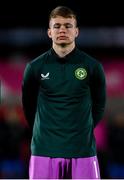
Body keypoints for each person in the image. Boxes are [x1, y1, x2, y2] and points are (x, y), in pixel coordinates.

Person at [22, 6, 106, 179]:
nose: (62, 30)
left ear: (76, 31)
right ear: (49, 32)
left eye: (68, 26)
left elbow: (99, 106)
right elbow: (28, 107)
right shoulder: (34, 68)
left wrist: (82, 129)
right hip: (44, 150)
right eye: (57, 26)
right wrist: (44, 132)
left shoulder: (93, 67)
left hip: (82, 150)